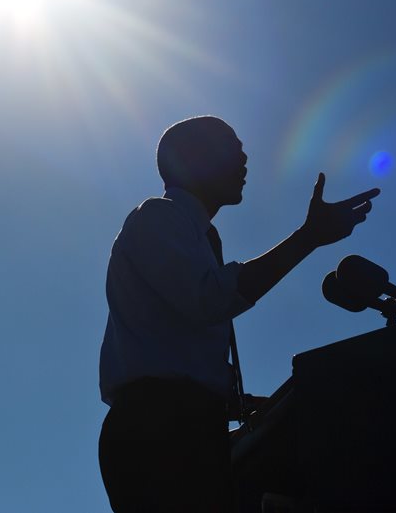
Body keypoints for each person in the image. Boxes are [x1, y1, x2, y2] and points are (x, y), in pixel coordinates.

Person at [97, 115, 381, 512]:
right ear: (191, 159)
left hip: (189, 431)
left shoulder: (196, 236)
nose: (244, 159)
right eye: (231, 148)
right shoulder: (156, 217)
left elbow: (184, 355)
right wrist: (309, 238)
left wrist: (258, 406)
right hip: (158, 433)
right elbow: (209, 300)